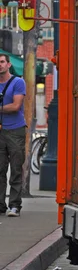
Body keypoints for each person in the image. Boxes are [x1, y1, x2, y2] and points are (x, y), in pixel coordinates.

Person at [0, 53, 26, 217]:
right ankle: (0, 205)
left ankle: (15, 205)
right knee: (0, 169)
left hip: (15, 130)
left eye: (2, 62)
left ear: (8, 64)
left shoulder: (17, 82)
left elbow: (16, 106)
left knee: (16, 169)